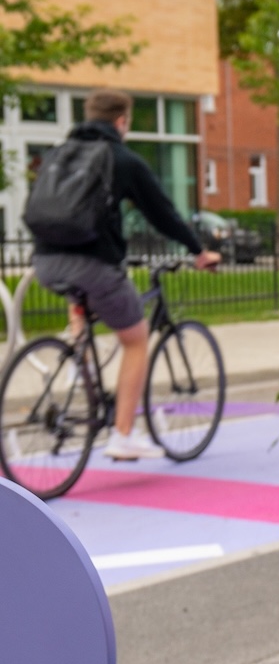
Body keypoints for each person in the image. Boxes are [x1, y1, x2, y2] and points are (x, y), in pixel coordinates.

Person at [27, 89, 221, 461]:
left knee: (82, 303)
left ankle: (77, 366)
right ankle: (123, 434)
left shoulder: (59, 154)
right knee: (135, 338)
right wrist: (198, 252)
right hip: (92, 264)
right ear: (121, 122)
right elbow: (161, 213)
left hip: (45, 262)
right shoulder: (120, 159)